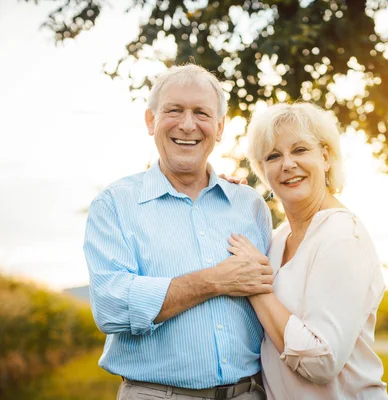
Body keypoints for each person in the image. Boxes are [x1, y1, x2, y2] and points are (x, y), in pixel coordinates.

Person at [83, 64, 273, 400]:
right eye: (174, 110)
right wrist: (215, 280)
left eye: (201, 112)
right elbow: (112, 306)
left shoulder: (249, 205)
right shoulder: (115, 204)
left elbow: (272, 292)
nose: (188, 124)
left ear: (219, 127)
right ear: (150, 121)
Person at [227, 102, 388, 400]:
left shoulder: (342, 236)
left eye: (300, 150)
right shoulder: (277, 239)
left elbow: (320, 362)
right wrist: (224, 201)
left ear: (325, 157)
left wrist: (256, 287)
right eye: (273, 156)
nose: (287, 164)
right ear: (263, 171)